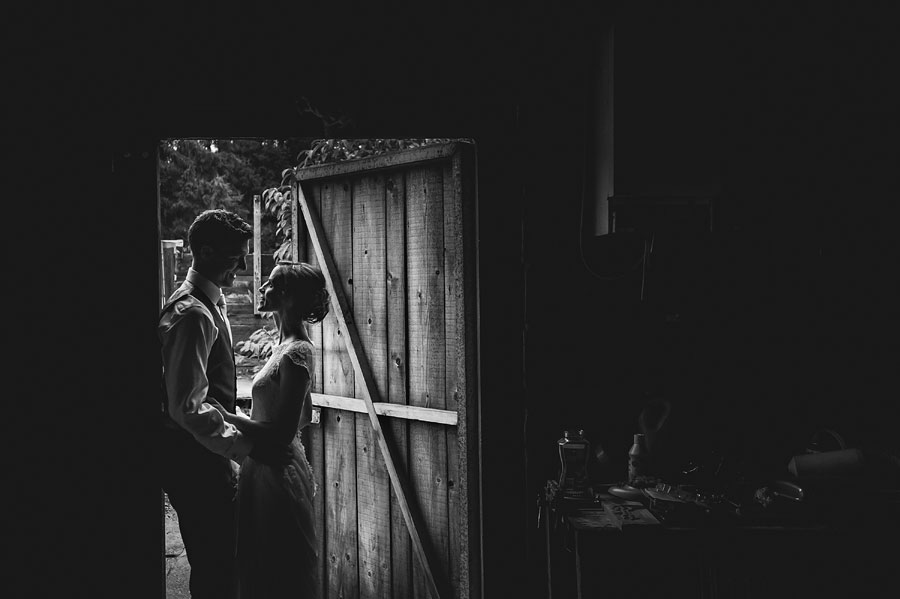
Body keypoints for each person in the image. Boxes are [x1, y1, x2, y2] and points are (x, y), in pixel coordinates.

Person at [159, 209, 289, 599]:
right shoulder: (193, 314)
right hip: (193, 460)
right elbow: (187, 406)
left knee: (224, 560)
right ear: (206, 251)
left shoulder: (209, 305)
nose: (246, 264)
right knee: (216, 565)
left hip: (206, 456)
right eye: (237, 255)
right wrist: (246, 448)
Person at [209, 261, 329, 598]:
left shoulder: (299, 351)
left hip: (277, 469)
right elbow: (303, 414)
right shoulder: (281, 346)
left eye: (272, 284)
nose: (263, 289)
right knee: (257, 565)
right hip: (261, 465)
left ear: (289, 296)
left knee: (279, 568)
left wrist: (228, 417)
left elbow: (282, 433)